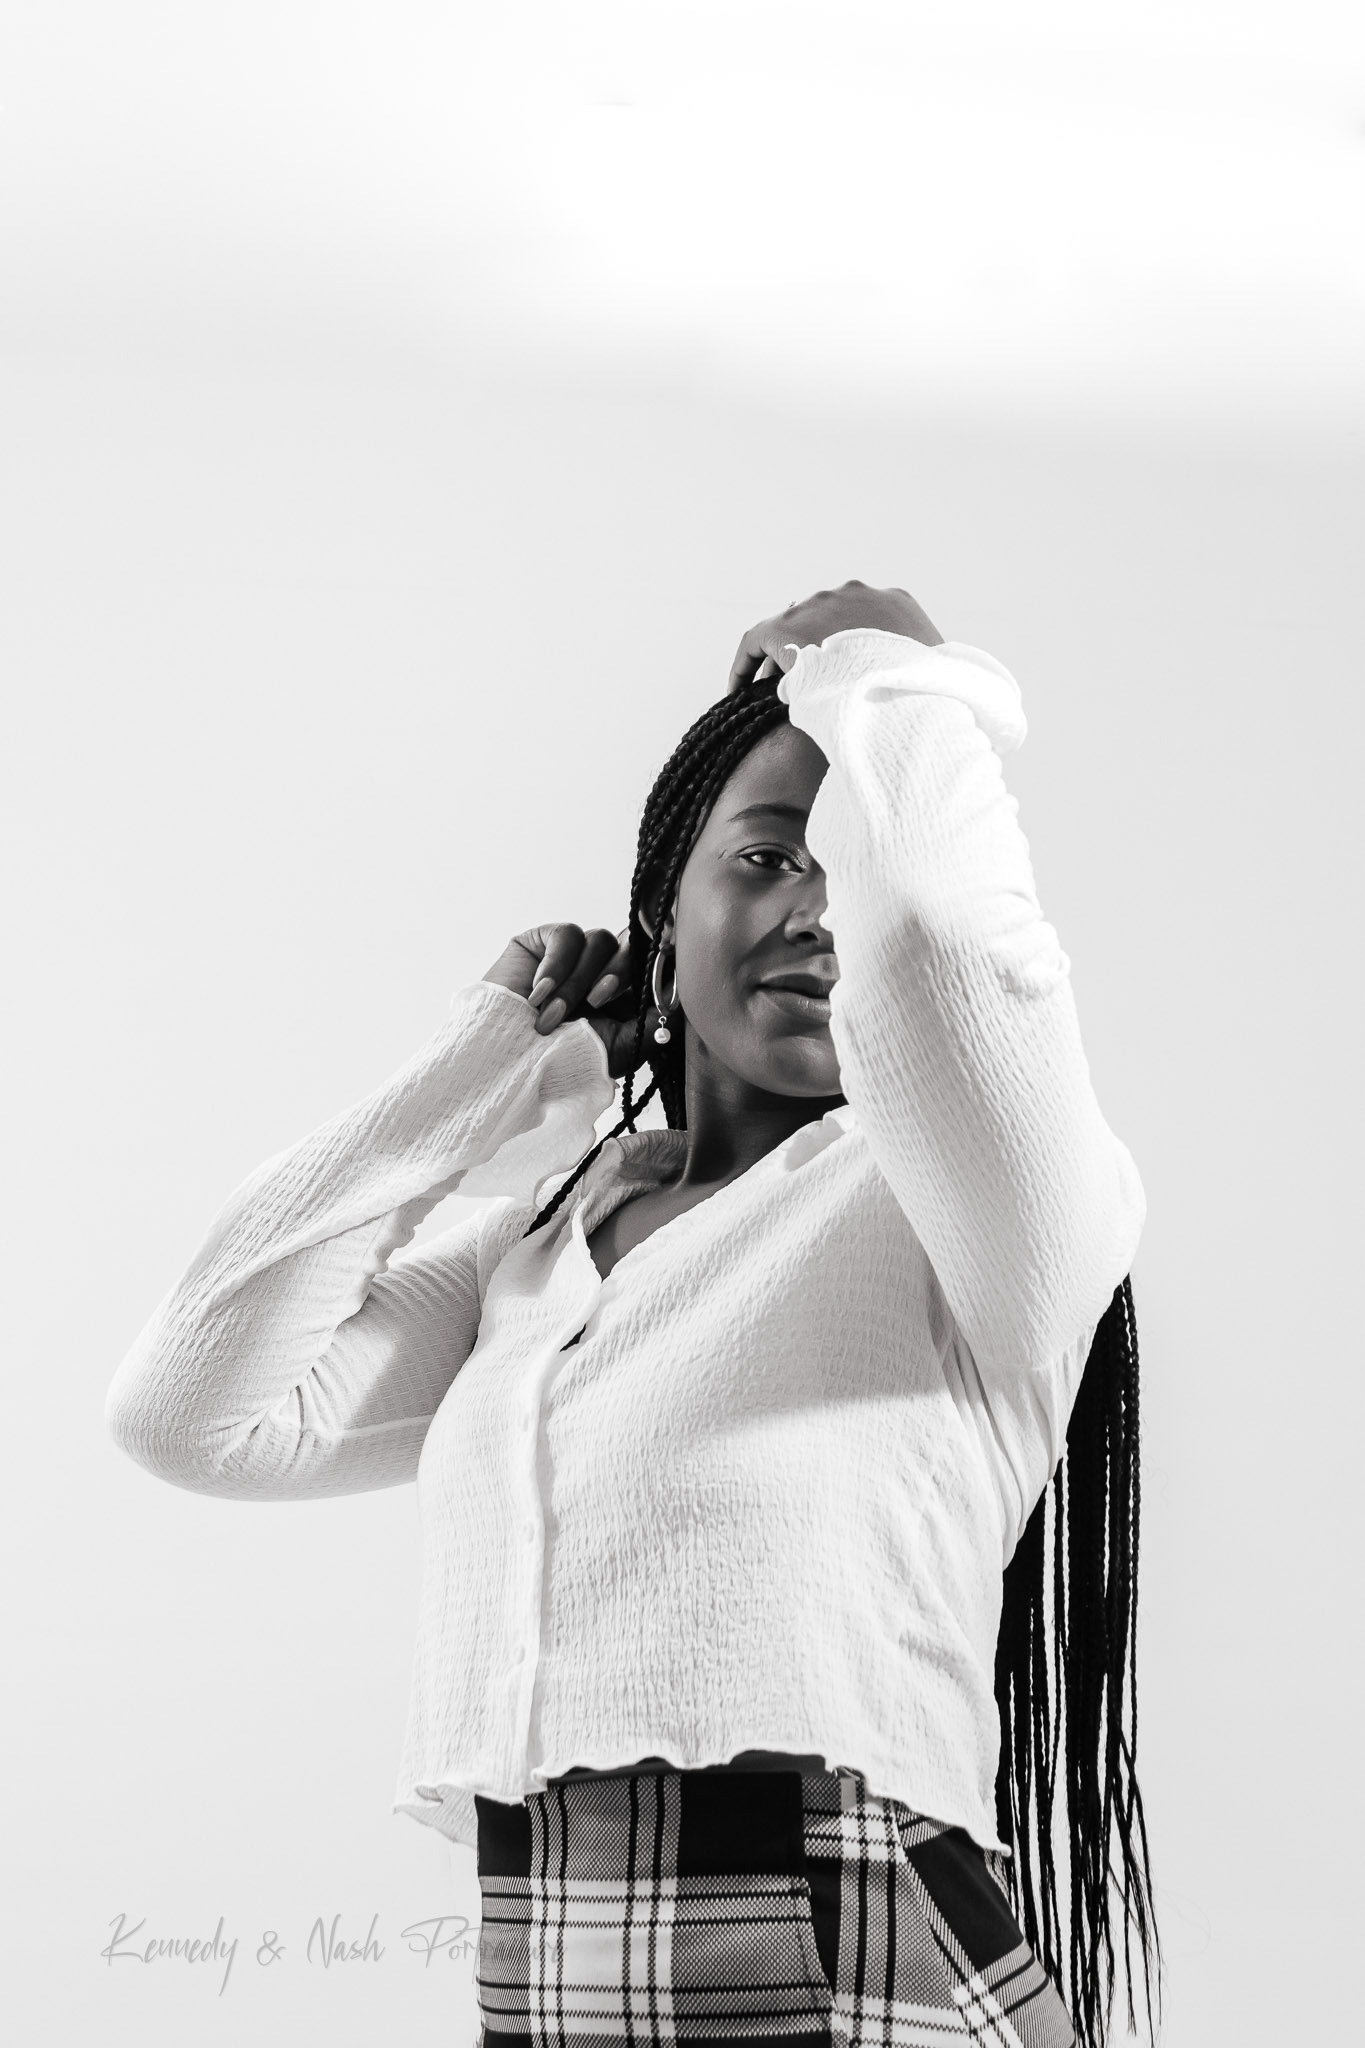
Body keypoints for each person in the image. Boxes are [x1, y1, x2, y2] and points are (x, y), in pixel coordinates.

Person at [106, 580, 1161, 2048]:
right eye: (771, 856)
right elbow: (189, 1413)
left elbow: (939, 939)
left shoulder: (976, 1210)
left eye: (853, 858)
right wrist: (489, 1073)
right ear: (661, 920)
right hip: (554, 1983)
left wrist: (895, 671)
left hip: (854, 1972)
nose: (822, 912)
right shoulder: (540, 1254)